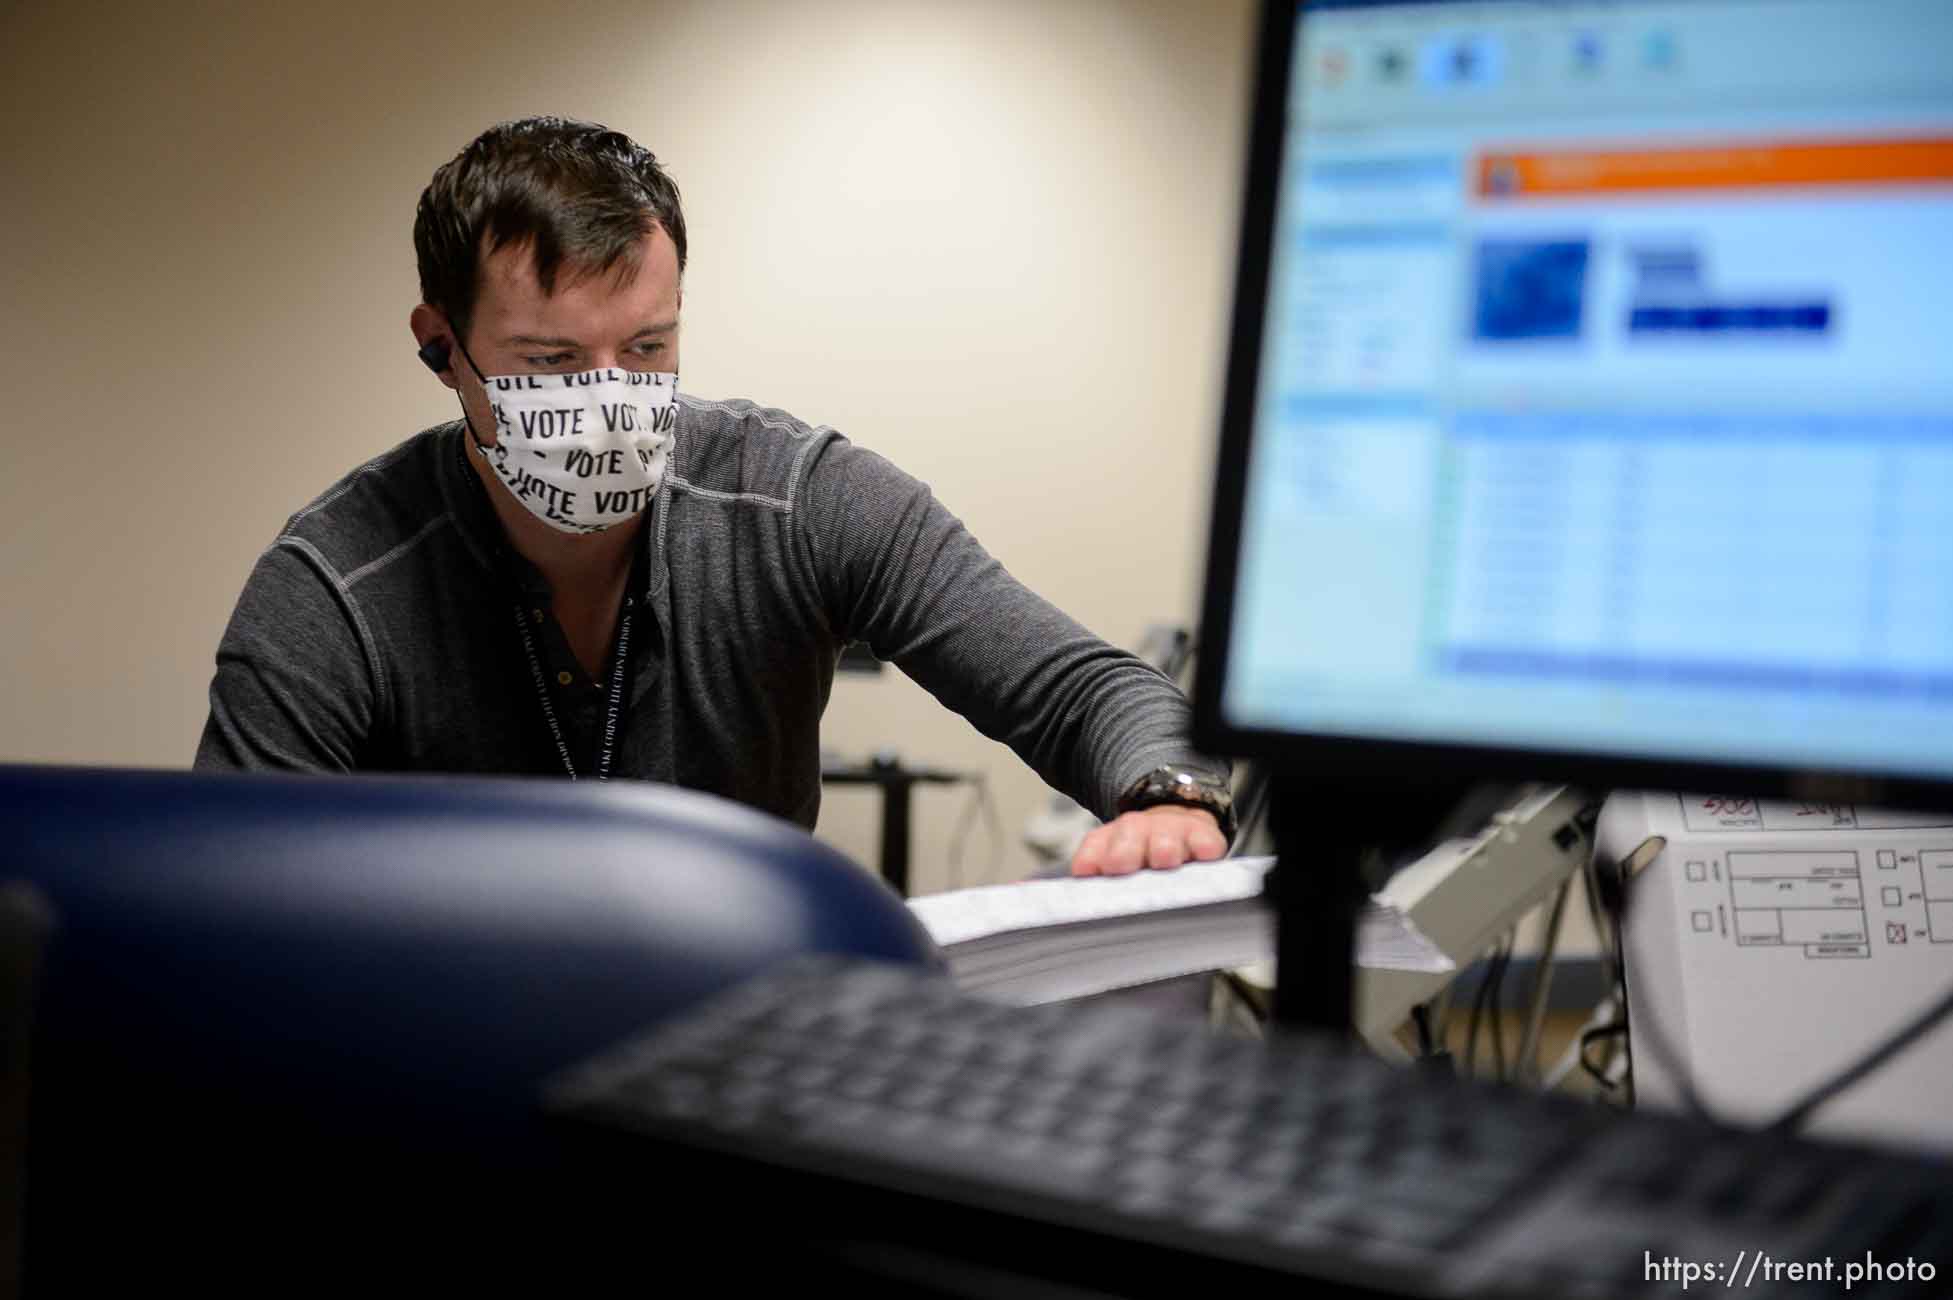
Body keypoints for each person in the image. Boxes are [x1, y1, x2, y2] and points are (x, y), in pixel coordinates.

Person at [195, 116, 1233, 877]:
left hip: (740, 1067)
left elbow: (1091, 690)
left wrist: (1168, 797)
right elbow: (230, 908)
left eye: (647, 347)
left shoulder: (797, 500)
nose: (607, 398)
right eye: (550, 361)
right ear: (441, 348)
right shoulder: (335, 588)